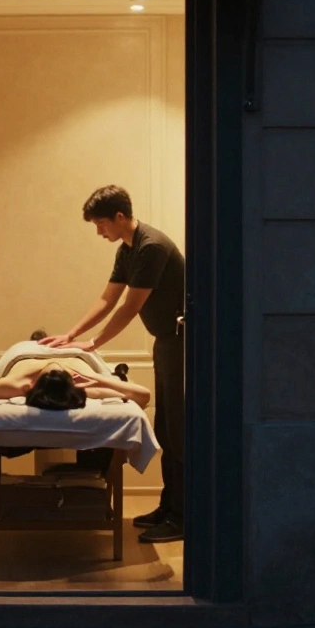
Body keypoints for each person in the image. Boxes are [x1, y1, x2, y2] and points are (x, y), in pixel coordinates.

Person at [39, 185, 186, 544]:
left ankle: (183, 516)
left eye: (101, 224)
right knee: (166, 429)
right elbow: (108, 297)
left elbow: (130, 307)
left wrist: (94, 343)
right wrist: (71, 335)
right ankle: (170, 506)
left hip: (182, 342)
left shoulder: (151, 247)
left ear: (120, 217)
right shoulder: (128, 248)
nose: (99, 231)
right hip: (166, 342)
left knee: (179, 432)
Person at [0, 358, 150, 408]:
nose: (55, 366)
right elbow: (143, 396)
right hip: (72, 354)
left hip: (26, 354)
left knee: (37, 339)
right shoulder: (86, 386)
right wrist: (101, 380)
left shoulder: (19, 384)